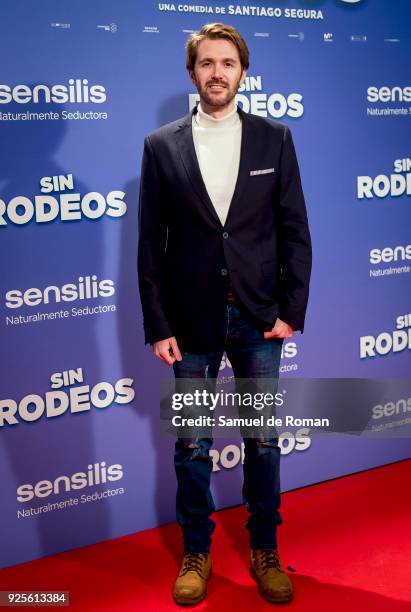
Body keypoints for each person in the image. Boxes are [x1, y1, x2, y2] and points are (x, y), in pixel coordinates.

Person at [138, 22, 312, 605]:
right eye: (207, 63)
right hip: (189, 327)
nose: (217, 72)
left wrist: (292, 310)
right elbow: (149, 244)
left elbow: (295, 231)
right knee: (191, 444)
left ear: (243, 72)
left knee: (263, 439)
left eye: (228, 63)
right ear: (192, 73)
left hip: (261, 321)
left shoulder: (274, 138)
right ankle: (197, 551)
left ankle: (265, 548)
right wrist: (158, 324)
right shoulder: (161, 144)